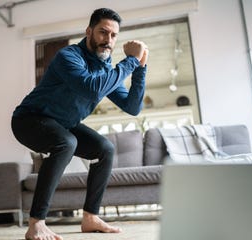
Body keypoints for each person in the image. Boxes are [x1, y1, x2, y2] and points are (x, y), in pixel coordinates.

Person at [11, 7, 149, 240]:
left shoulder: (107, 69)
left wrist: (140, 68)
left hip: (63, 123)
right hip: (29, 119)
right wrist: (130, 61)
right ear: (89, 31)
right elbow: (90, 87)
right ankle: (36, 223)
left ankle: (90, 218)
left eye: (114, 35)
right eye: (103, 33)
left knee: (105, 148)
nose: (108, 40)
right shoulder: (69, 56)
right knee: (66, 143)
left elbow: (132, 107)